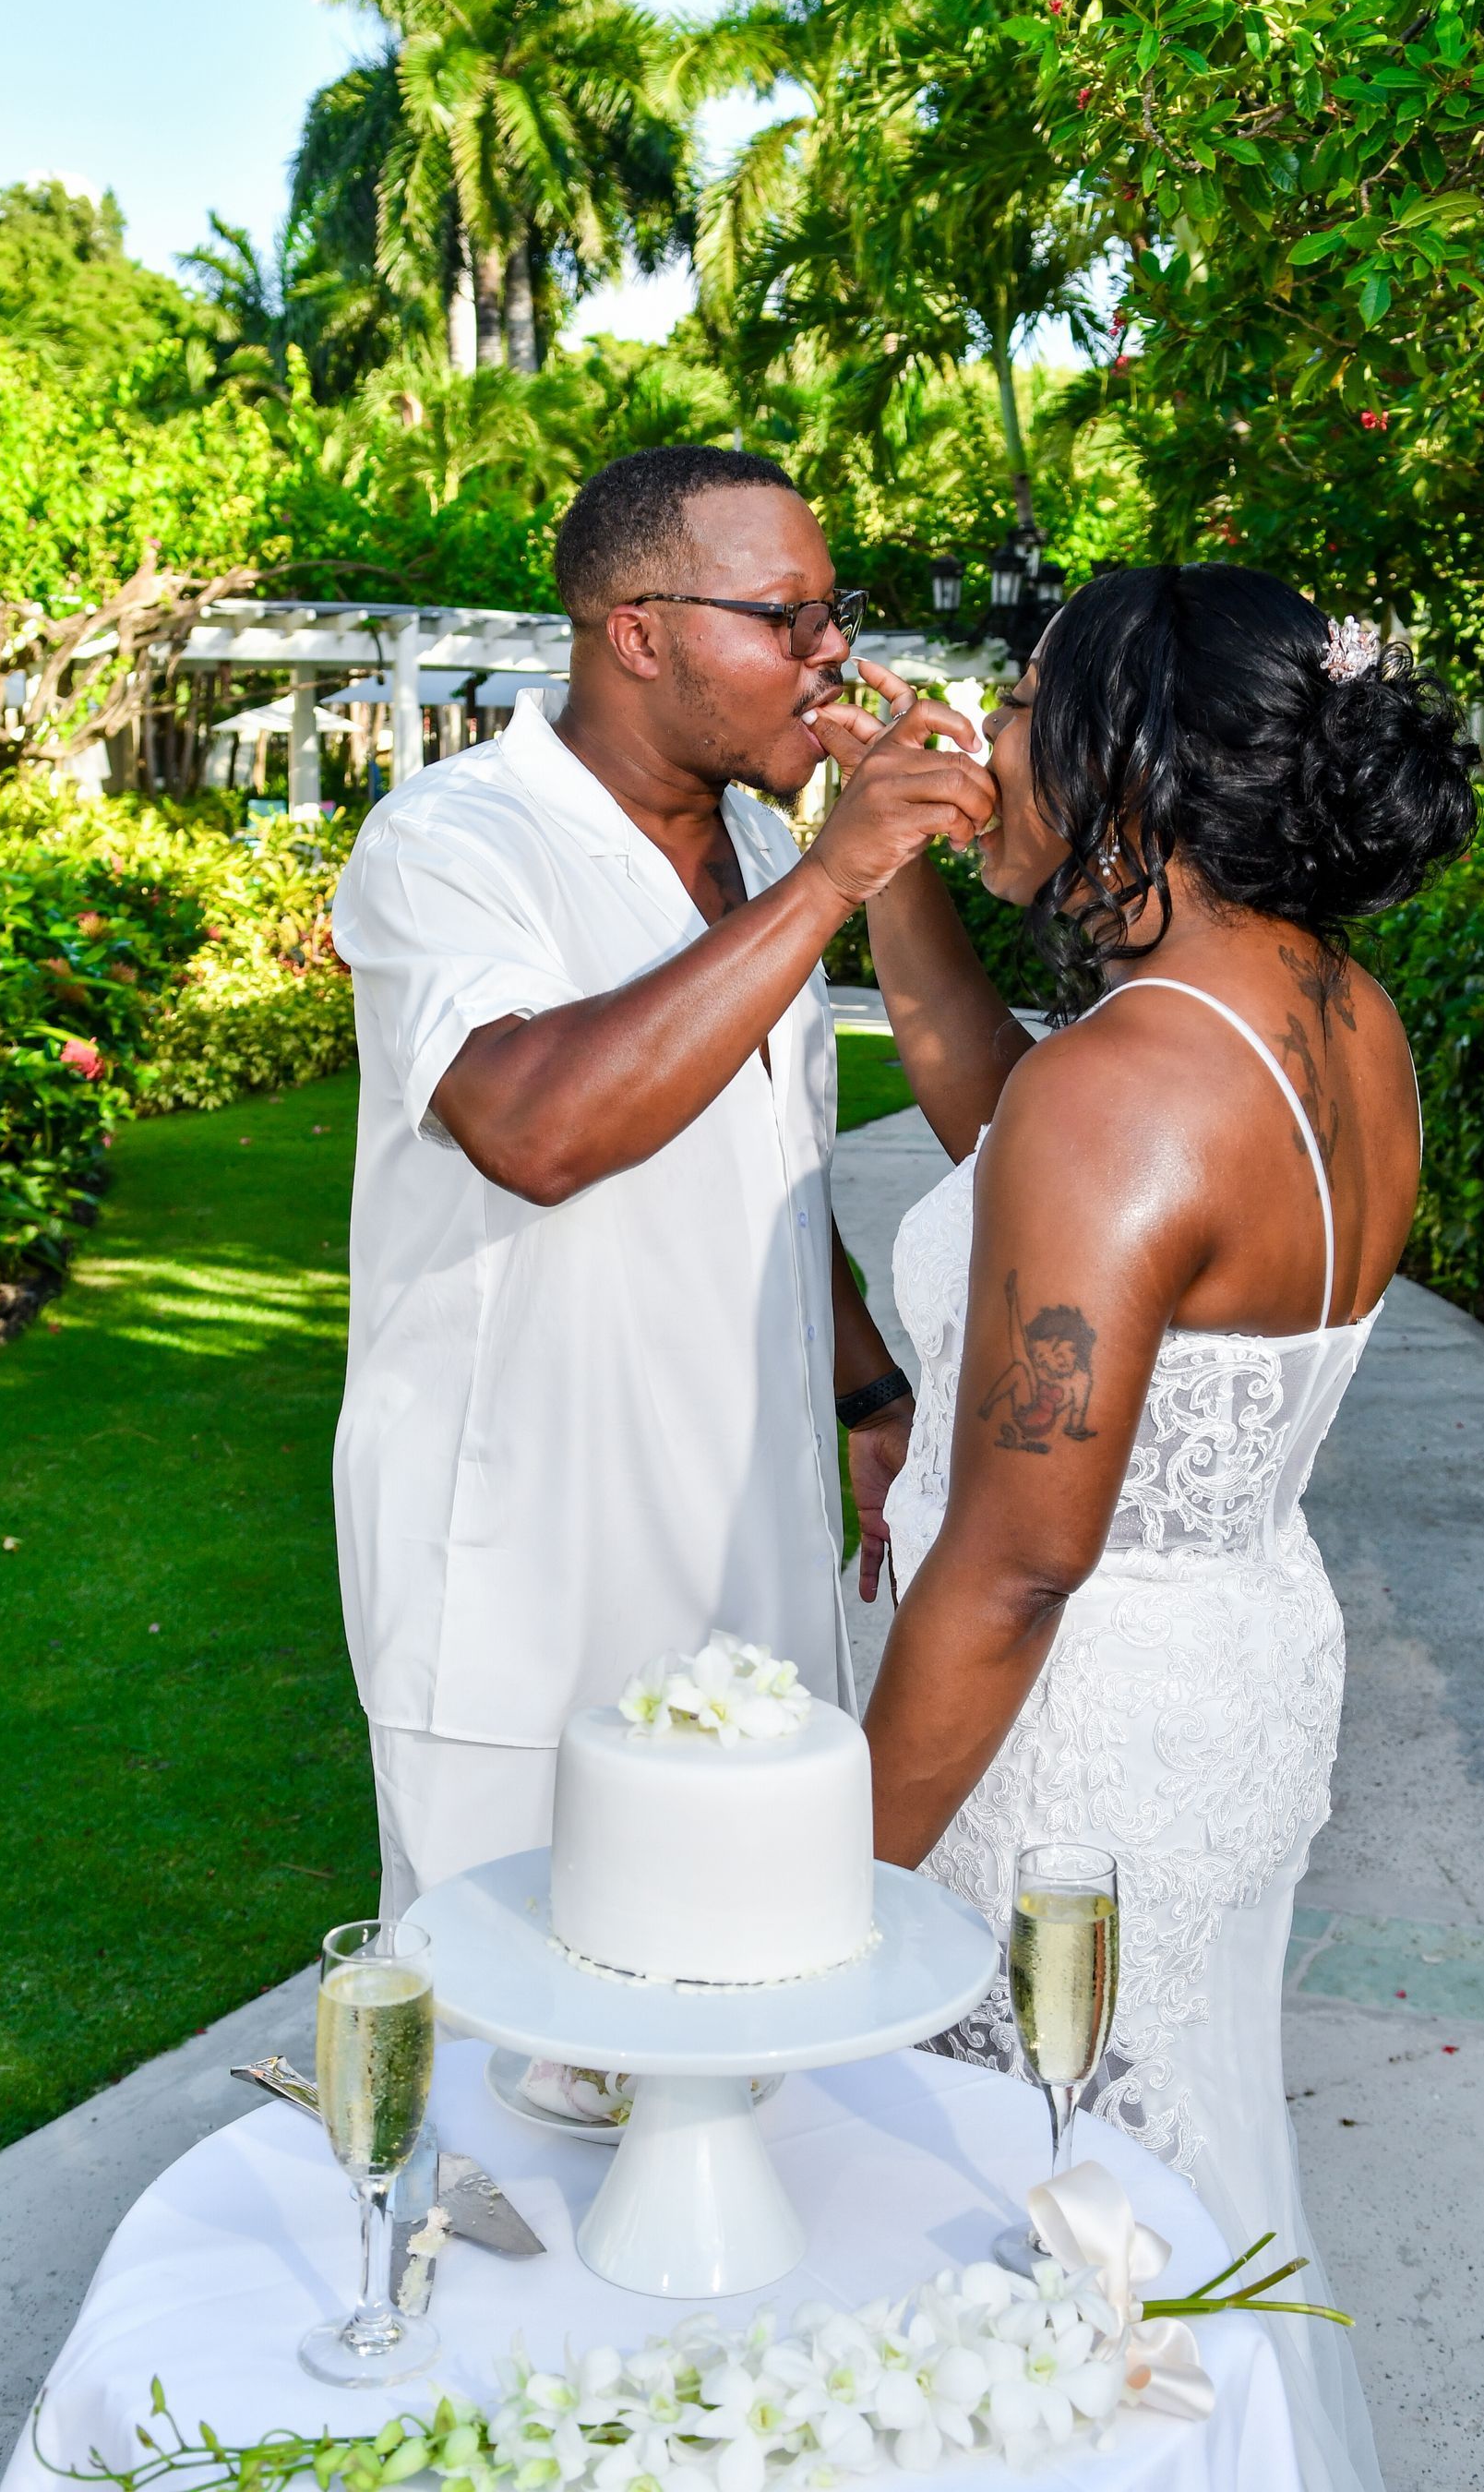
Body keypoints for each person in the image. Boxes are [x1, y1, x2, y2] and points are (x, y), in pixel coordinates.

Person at [815, 567, 1478, 2492]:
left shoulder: (1133, 1084)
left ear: (1135, 760)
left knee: (1029, 2244)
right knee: (1153, 2205)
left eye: (1029, 708)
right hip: (1232, 1674)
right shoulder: (1320, 1012)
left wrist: (821, 1895)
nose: (993, 741)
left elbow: (1018, 1560)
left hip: (1063, 1734)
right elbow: (1014, 1141)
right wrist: (886, 872)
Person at [329, 444, 993, 1913]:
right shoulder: (448, 842)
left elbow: (763, 1158)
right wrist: (839, 879)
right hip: (527, 1568)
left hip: (753, 1547)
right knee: (510, 2059)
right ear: (636, 633)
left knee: (736, 2013)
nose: (836, 655)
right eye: (788, 617)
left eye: (839, 611)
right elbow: (538, 1131)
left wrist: (871, 1394)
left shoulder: (760, 840)